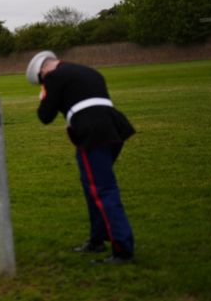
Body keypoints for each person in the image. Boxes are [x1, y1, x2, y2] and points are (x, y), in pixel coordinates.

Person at [26, 50, 136, 264]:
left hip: (92, 134)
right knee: (92, 185)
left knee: (102, 189)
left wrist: (44, 96)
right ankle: (97, 239)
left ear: (42, 71)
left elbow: (45, 116)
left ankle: (123, 249)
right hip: (114, 127)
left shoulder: (54, 77)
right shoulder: (89, 71)